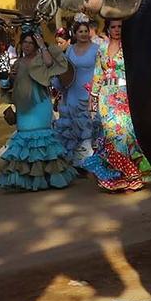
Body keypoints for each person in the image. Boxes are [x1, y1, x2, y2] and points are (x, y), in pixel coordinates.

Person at [0, 29, 77, 192]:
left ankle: (48, 178)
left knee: (42, 138)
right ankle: (26, 179)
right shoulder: (17, 62)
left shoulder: (41, 58)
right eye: (24, 42)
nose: (27, 46)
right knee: (25, 138)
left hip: (40, 103)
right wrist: (11, 78)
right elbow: (14, 84)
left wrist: (42, 45)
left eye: (30, 43)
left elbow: (49, 63)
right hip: (23, 106)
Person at [87, 17, 151, 193]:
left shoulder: (131, 48)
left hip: (125, 96)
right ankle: (117, 177)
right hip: (105, 99)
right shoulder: (101, 49)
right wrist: (93, 99)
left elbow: (139, 74)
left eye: (120, 27)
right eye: (113, 26)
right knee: (110, 136)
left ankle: (132, 175)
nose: (117, 29)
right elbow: (98, 74)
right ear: (108, 29)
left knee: (124, 135)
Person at [60, 16, 113, 186]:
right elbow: (65, 72)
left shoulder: (98, 48)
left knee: (94, 128)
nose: (83, 34)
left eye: (85, 31)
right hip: (73, 92)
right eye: (79, 31)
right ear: (74, 34)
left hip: (93, 93)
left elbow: (105, 71)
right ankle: (79, 165)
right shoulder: (69, 50)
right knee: (75, 128)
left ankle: (95, 164)